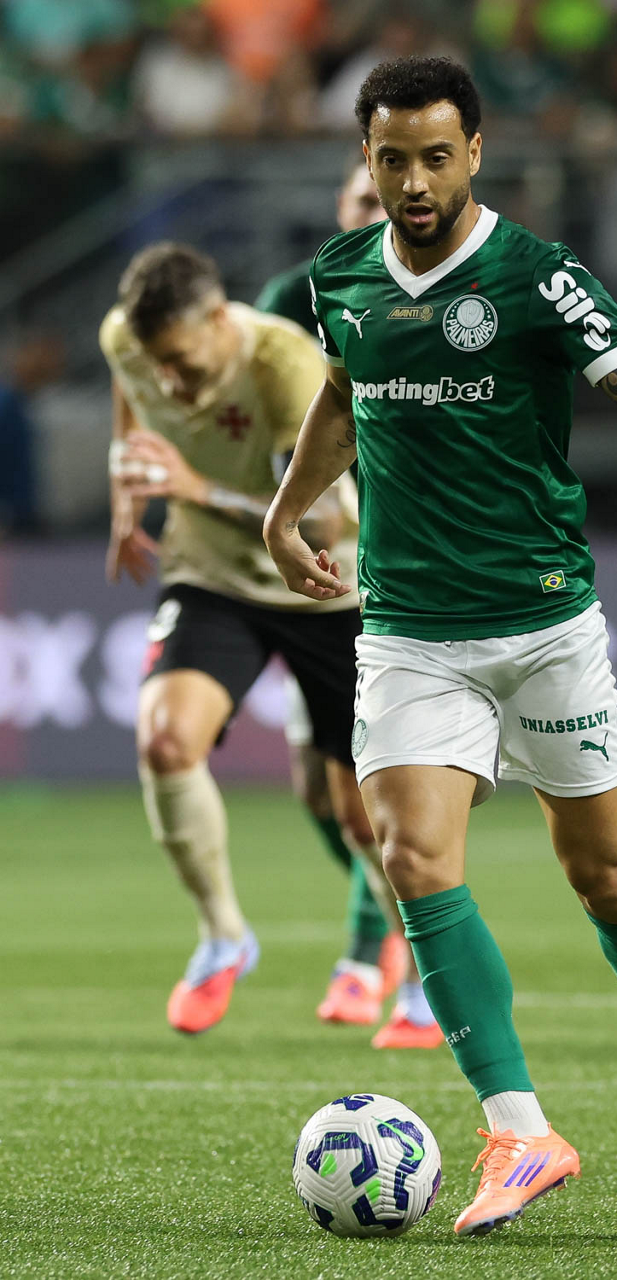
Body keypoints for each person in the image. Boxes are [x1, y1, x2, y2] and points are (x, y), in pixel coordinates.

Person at [263, 55, 617, 1236]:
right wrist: (285, 508)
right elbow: (343, 393)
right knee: (414, 857)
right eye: (391, 159)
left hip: (542, 626)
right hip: (408, 631)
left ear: (474, 152)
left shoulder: (536, 277)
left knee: (606, 881)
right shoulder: (338, 276)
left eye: (434, 156)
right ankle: (519, 1129)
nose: (413, 181)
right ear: (365, 161)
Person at [100, 241, 440, 1048]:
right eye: (159, 365)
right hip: (213, 577)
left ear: (221, 320)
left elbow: (321, 517)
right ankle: (224, 936)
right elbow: (132, 397)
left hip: (328, 586)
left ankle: (427, 979)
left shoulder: (283, 365)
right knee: (165, 740)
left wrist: (194, 487)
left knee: (362, 815)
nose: (170, 383)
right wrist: (127, 500)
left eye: (184, 363)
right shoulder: (127, 338)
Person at [255, 158, 409, 1030]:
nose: (376, 211)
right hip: (315, 551)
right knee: (319, 791)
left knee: (361, 785)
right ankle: (381, 933)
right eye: (361, 199)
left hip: (387, 564)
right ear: (340, 207)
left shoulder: (436, 294)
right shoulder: (297, 296)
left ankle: (373, 949)